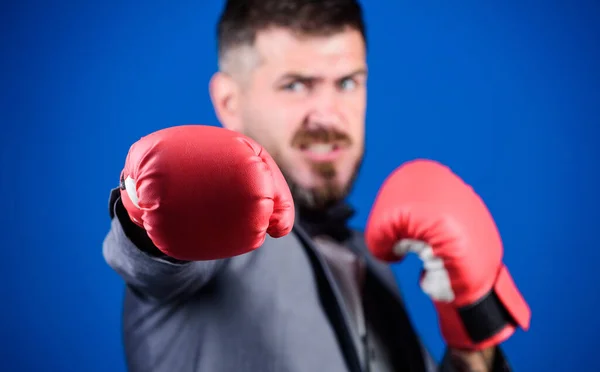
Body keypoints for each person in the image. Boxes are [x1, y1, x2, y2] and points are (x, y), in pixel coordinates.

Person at [102, 0, 531, 371]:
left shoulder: (371, 261)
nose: (327, 116)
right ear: (229, 102)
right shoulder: (209, 247)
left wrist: (472, 341)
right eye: (296, 85)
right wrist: (145, 210)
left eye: (347, 83)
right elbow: (151, 259)